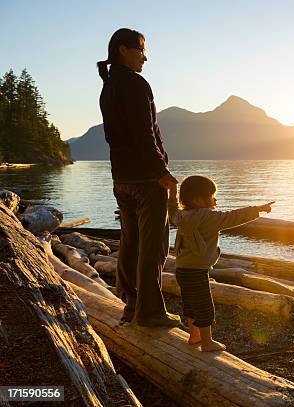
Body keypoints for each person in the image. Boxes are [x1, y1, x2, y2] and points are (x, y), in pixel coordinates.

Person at [97, 28, 181, 327]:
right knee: (154, 246)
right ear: (123, 49)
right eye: (140, 50)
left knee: (131, 242)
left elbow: (114, 137)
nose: (145, 57)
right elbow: (145, 134)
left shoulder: (109, 86)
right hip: (147, 180)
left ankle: (132, 305)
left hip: (122, 178)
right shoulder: (135, 84)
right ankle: (150, 312)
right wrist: (162, 171)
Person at [168, 175, 274, 351]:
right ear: (197, 200)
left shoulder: (181, 216)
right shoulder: (208, 216)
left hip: (182, 269)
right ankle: (207, 343)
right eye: (211, 196)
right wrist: (257, 209)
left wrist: (172, 193)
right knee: (205, 307)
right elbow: (233, 217)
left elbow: (171, 211)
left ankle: (194, 337)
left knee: (191, 304)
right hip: (197, 271)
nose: (215, 199)